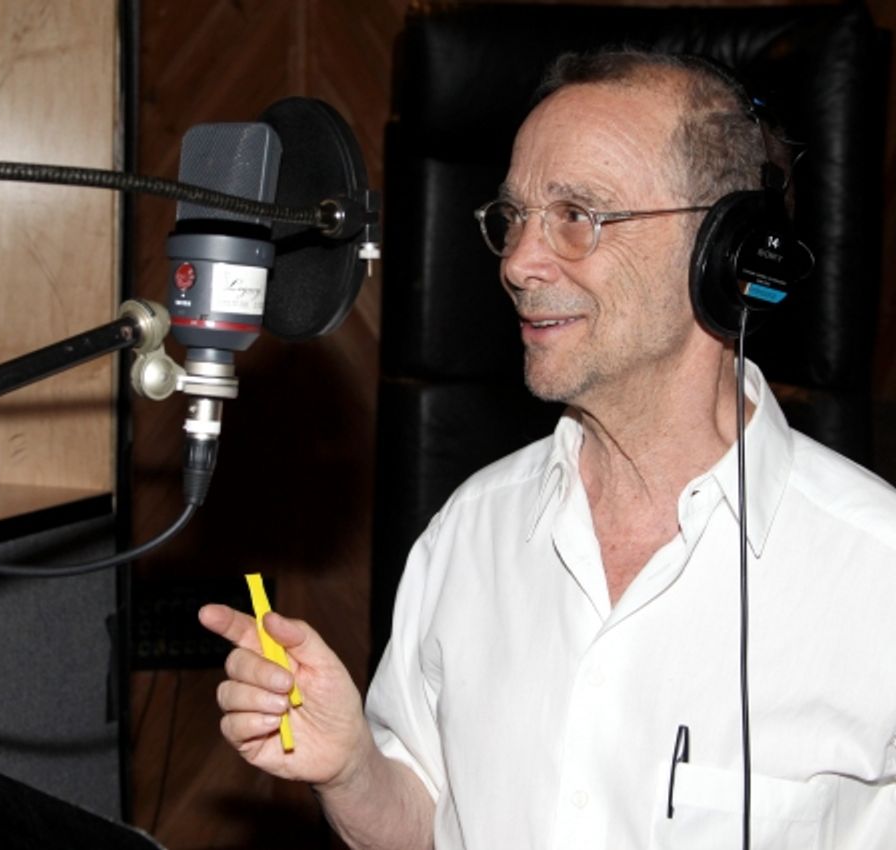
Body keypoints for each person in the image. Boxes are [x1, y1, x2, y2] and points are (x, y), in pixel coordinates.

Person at [198, 49, 896, 849]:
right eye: (513, 218)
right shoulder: (471, 531)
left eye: (577, 216)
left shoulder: (878, 574)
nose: (521, 263)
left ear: (726, 252)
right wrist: (353, 770)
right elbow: (426, 824)